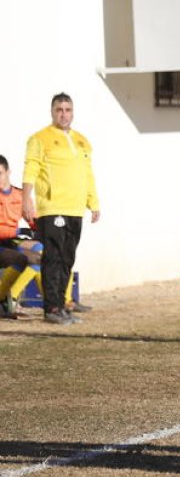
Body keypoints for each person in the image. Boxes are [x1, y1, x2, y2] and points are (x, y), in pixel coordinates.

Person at [22, 93, 98, 325]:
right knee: (53, 258)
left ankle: (63, 305)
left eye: (67, 109)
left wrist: (93, 202)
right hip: (53, 207)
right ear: (52, 111)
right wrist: (27, 199)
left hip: (75, 209)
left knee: (67, 258)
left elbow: (87, 174)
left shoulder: (82, 141)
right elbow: (31, 169)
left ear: (73, 112)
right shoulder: (39, 138)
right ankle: (51, 308)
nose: (63, 114)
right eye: (59, 109)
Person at [0, 155, 42, 318]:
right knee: (23, 258)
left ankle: (54, 303)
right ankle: (8, 299)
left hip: (11, 242)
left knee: (40, 252)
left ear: (8, 172)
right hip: (3, 242)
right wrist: (19, 232)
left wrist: (44, 228)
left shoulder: (20, 195)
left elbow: (33, 220)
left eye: (0, 173)